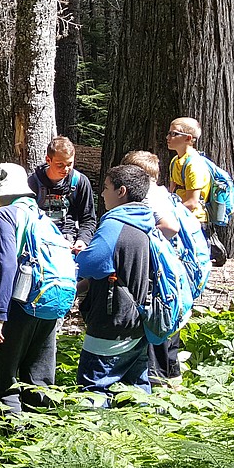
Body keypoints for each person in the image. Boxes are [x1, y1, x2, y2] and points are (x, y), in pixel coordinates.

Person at [0, 163, 68, 415]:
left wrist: (0, 314)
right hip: (49, 302)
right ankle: (41, 442)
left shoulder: (5, 215)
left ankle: (8, 444)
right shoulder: (41, 216)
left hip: (19, 304)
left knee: (6, 379)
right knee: (39, 377)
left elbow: (7, 264)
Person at [74, 164, 157, 399]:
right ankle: (142, 434)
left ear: (121, 191)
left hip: (112, 322)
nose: (102, 194)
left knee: (94, 388)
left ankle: (93, 434)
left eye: (106, 188)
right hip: (139, 320)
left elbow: (92, 264)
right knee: (136, 389)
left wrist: (76, 256)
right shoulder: (145, 221)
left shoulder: (114, 224)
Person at [121, 150, 182, 387]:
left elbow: (170, 227)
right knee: (167, 319)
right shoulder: (161, 193)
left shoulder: (149, 196)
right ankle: (172, 377)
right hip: (169, 266)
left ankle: (155, 381)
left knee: (155, 317)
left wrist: (142, 239)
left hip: (157, 267)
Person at [166, 117, 227, 265]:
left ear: (188, 138)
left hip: (194, 221)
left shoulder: (194, 164)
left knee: (195, 263)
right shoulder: (175, 161)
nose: (168, 137)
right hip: (180, 217)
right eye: (168, 133)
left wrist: (167, 212)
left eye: (173, 134)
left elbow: (192, 202)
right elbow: (172, 191)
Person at [27, 136, 97, 254]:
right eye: (60, 165)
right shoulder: (33, 182)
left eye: (70, 164)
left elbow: (88, 219)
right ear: (48, 160)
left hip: (69, 240)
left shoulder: (80, 181)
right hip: (40, 240)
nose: (66, 169)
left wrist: (82, 240)